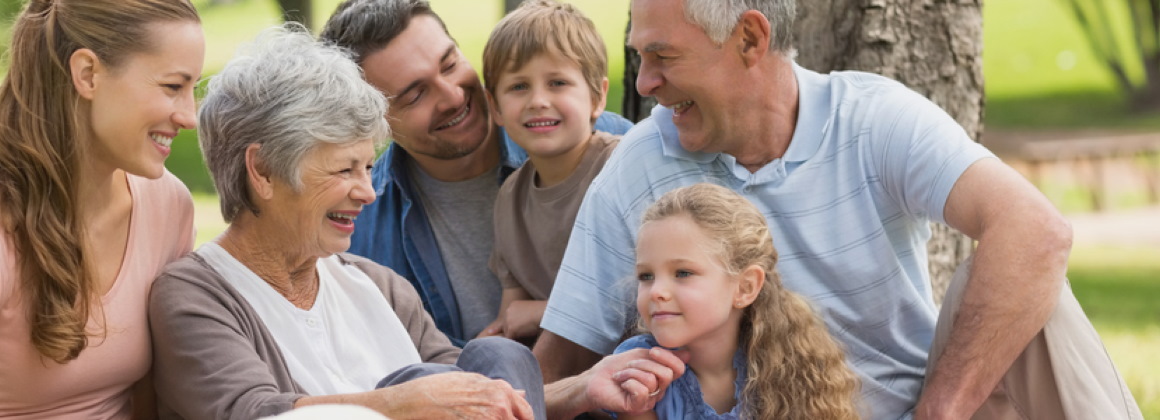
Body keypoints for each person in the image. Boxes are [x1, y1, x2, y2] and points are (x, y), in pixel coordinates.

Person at [538, 0, 1139, 418]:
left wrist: (941, 411)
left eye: (663, 57)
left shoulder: (872, 119)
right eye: (639, 58)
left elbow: (1037, 231)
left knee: (1031, 274)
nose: (643, 84)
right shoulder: (642, 163)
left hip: (931, 408)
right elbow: (554, 370)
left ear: (750, 39)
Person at [147, 25, 543, 420]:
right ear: (263, 171)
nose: (368, 192)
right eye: (344, 170)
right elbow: (251, 411)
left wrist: (579, 387)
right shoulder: (195, 296)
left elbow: (470, 394)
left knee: (499, 357)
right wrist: (400, 404)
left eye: (368, 167)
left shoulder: (380, 287)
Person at [0, 0, 202, 418]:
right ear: (88, 74)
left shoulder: (168, 207)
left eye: (193, 89)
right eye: (173, 87)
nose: (189, 116)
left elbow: (159, 398)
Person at [319, 0, 634, 344]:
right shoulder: (361, 233)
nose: (452, 97)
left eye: (450, 64)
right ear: (374, 122)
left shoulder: (612, 151)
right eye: (416, 95)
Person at [614, 183, 860, 419]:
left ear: (745, 287)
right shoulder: (639, 367)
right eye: (646, 276)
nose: (657, 291)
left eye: (683, 273)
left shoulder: (791, 365)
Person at [475, 0, 621, 344]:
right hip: (558, 363)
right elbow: (512, 316)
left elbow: (653, 293)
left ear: (597, 97)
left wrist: (544, 312)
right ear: (494, 106)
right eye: (518, 86)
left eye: (557, 82)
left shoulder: (619, 170)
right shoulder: (510, 198)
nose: (538, 100)